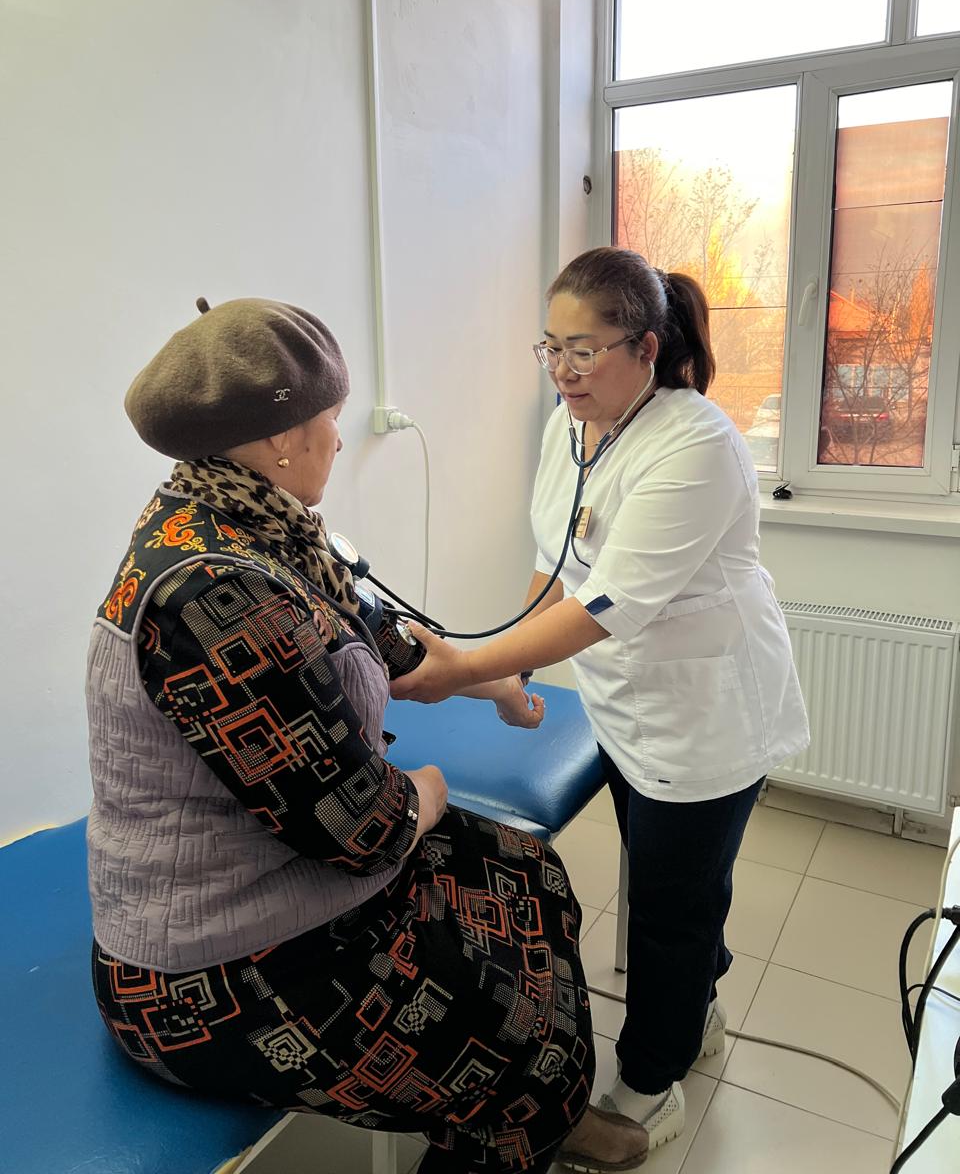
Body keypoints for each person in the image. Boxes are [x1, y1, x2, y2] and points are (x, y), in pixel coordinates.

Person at [87, 296, 649, 1174]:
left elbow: (388, 645)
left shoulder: (255, 523)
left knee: (528, 872)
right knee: (506, 1026)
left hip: (278, 878)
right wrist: (428, 789)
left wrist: (499, 685)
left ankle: (550, 1104)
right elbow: (366, 831)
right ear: (282, 438)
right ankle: (529, 1101)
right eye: (331, 419)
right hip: (210, 973)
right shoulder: (208, 592)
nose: (340, 441)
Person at [392, 246, 810, 1152]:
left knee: (668, 909)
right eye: (551, 348)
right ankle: (696, 1007)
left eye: (584, 350)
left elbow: (603, 606)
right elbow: (558, 563)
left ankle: (651, 1086)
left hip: (704, 718)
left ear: (646, 346)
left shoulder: (697, 444)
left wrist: (461, 670)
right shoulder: (572, 425)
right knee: (676, 881)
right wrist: (508, 675)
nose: (563, 370)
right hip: (624, 702)